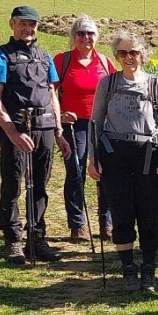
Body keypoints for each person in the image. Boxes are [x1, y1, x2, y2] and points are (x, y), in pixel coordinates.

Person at [0, 5, 72, 264]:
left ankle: (37, 238)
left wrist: (59, 132)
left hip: (45, 127)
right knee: (13, 184)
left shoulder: (44, 57)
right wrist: (12, 132)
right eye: (22, 23)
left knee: (41, 185)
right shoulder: (1, 55)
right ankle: (13, 240)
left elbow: (52, 94)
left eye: (32, 24)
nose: (27, 28)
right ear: (12, 23)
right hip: (17, 128)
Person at [88, 30, 158, 292]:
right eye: (123, 52)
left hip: (148, 154)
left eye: (134, 52)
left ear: (142, 55)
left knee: (149, 213)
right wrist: (93, 158)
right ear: (116, 55)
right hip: (114, 153)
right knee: (121, 211)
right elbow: (95, 123)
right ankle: (128, 270)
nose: (129, 57)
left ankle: (148, 270)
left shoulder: (154, 83)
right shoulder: (108, 83)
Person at [54, 14, 117, 242]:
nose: (86, 37)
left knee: (106, 172)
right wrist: (59, 116)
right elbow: (49, 91)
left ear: (96, 37)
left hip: (103, 125)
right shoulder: (62, 61)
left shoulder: (104, 62)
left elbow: (117, 91)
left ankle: (107, 222)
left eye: (90, 33)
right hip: (74, 125)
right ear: (74, 36)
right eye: (81, 33)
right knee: (77, 170)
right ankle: (78, 224)